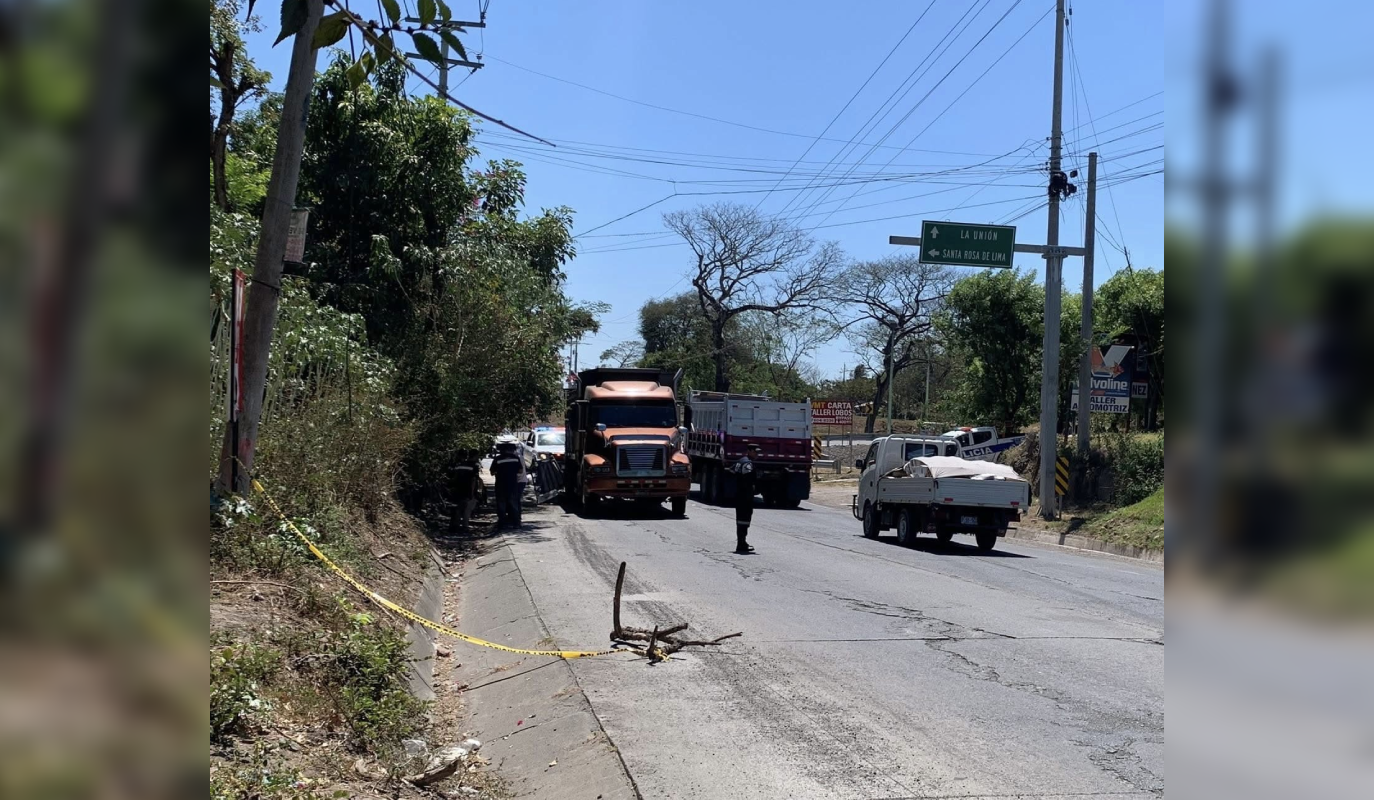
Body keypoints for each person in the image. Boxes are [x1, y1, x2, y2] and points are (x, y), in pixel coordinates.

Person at [730, 444, 761, 554]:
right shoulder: (748, 464)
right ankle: (741, 544)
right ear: (749, 451)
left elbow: (731, 472)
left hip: (739, 495)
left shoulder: (740, 461)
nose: (757, 454)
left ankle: (742, 542)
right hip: (745, 496)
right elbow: (748, 480)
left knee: (741, 520)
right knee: (744, 520)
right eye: (755, 452)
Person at [490, 441, 526, 528]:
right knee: (513, 503)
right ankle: (516, 523)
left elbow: (492, 472)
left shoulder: (497, 459)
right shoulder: (516, 458)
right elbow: (520, 471)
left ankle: (502, 523)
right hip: (513, 485)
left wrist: (500, 471)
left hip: (500, 485)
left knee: (501, 503)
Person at [450, 450, 481, 532]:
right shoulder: (474, 466)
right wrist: (473, 492)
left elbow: (454, 478)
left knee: (459, 508)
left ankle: (456, 525)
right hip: (468, 489)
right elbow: (474, 480)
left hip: (458, 489)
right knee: (468, 509)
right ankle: (465, 526)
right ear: (475, 456)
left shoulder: (460, 465)